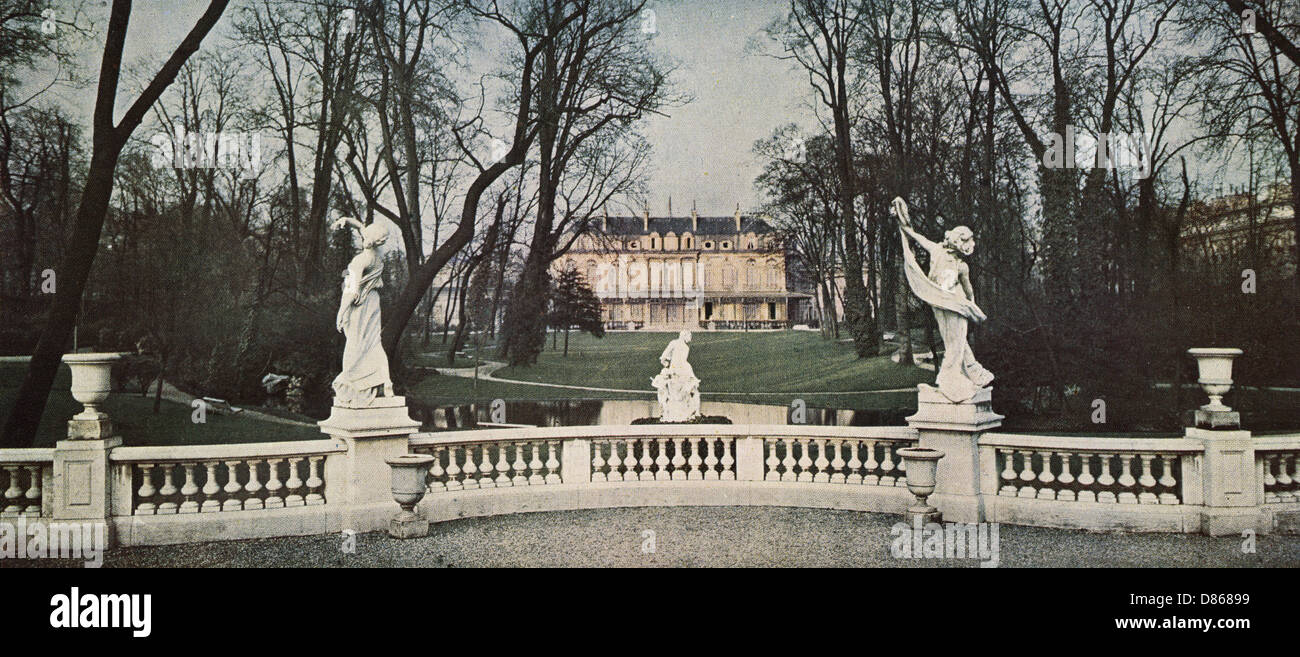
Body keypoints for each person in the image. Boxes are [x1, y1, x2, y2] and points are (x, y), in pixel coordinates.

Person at [891, 197, 994, 402]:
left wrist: (971, 307)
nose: (967, 248)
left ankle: (948, 379)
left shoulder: (961, 266)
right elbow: (917, 237)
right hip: (939, 303)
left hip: (956, 305)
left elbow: (969, 290)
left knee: (955, 343)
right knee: (953, 341)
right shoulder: (936, 249)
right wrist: (902, 224)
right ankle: (972, 372)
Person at [332, 217, 395, 404]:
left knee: (355, 345)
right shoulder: (378, 255)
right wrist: (347, 221)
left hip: (359, 305)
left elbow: (352, 289)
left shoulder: (361, 260)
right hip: (373, 302)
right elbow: (364, 229)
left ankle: (352, 381)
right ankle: (386, 380)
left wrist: (341, 312)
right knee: (374, 344)